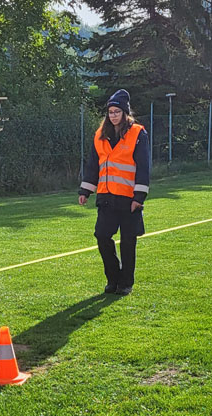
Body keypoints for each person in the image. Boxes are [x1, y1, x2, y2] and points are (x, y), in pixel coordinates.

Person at [78, 89, 150, 296]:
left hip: (129, 199)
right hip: (106, 198)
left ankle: (125, 283)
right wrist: (85, 190)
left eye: (117, 111)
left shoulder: (138, 133)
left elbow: (143, 167)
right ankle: (113, 278)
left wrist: (139, 197)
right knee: (101, 236)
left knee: (128, 242)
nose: (113, 115)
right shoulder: (100, 136)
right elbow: (93, 166)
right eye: (110, 112)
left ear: (125, 113)